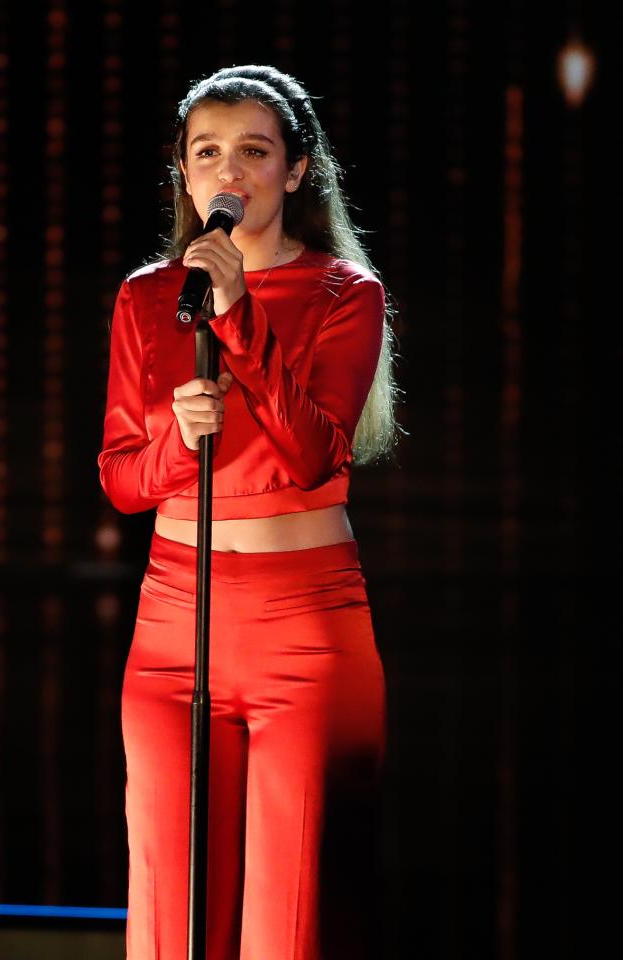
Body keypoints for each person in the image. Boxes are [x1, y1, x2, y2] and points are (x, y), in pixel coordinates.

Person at [97, 64, 402, 960]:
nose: (228, 171)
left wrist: (237, 311)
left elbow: (313, 453)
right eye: (208, 152)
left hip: (302, 630)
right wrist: (174, 441)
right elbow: (122, 481)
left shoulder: (347, 296)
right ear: (185, 175)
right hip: (171, 626)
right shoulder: (146, 297)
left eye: (254, 152)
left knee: (290, 923)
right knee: (171, 920)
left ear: (297, 170)